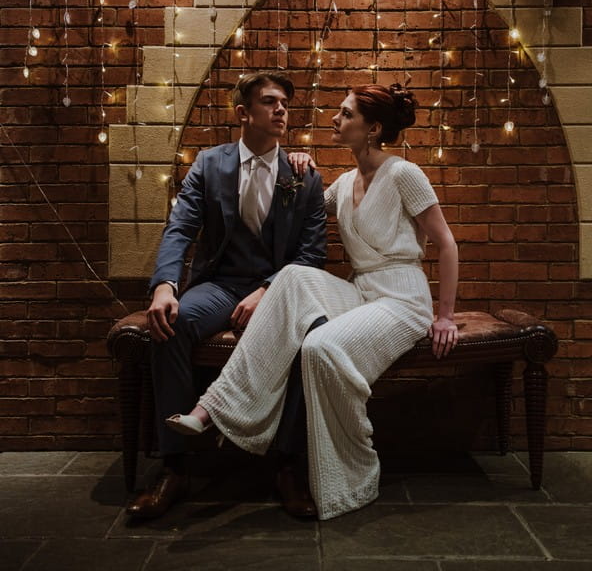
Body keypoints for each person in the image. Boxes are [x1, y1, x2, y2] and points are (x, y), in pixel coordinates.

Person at [167, 83, 459, 521]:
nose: (334, 120)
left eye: (345, 114)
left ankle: (350, 471)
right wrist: (295, 167)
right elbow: (298, 206)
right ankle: (213, 407)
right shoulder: (342, 184)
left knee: (318, 347)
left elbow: (447, 244)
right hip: (361, 290)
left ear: (373, 127)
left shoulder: (404, 174)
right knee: (292, 276)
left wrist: (445, 316)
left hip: (402, 299)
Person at [126, 71, 327, 520]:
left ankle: (288, 466)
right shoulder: (209, 164)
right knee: (170, 325)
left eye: (285, 104)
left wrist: (267, 290)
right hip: (220, 284)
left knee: (313, 339)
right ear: (243, 113)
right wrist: (164, 285)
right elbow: (181, 227)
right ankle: (175, 468)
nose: (281, 110)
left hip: (278, 288)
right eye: (271, 102)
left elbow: (312, 254)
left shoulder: (305, 176)